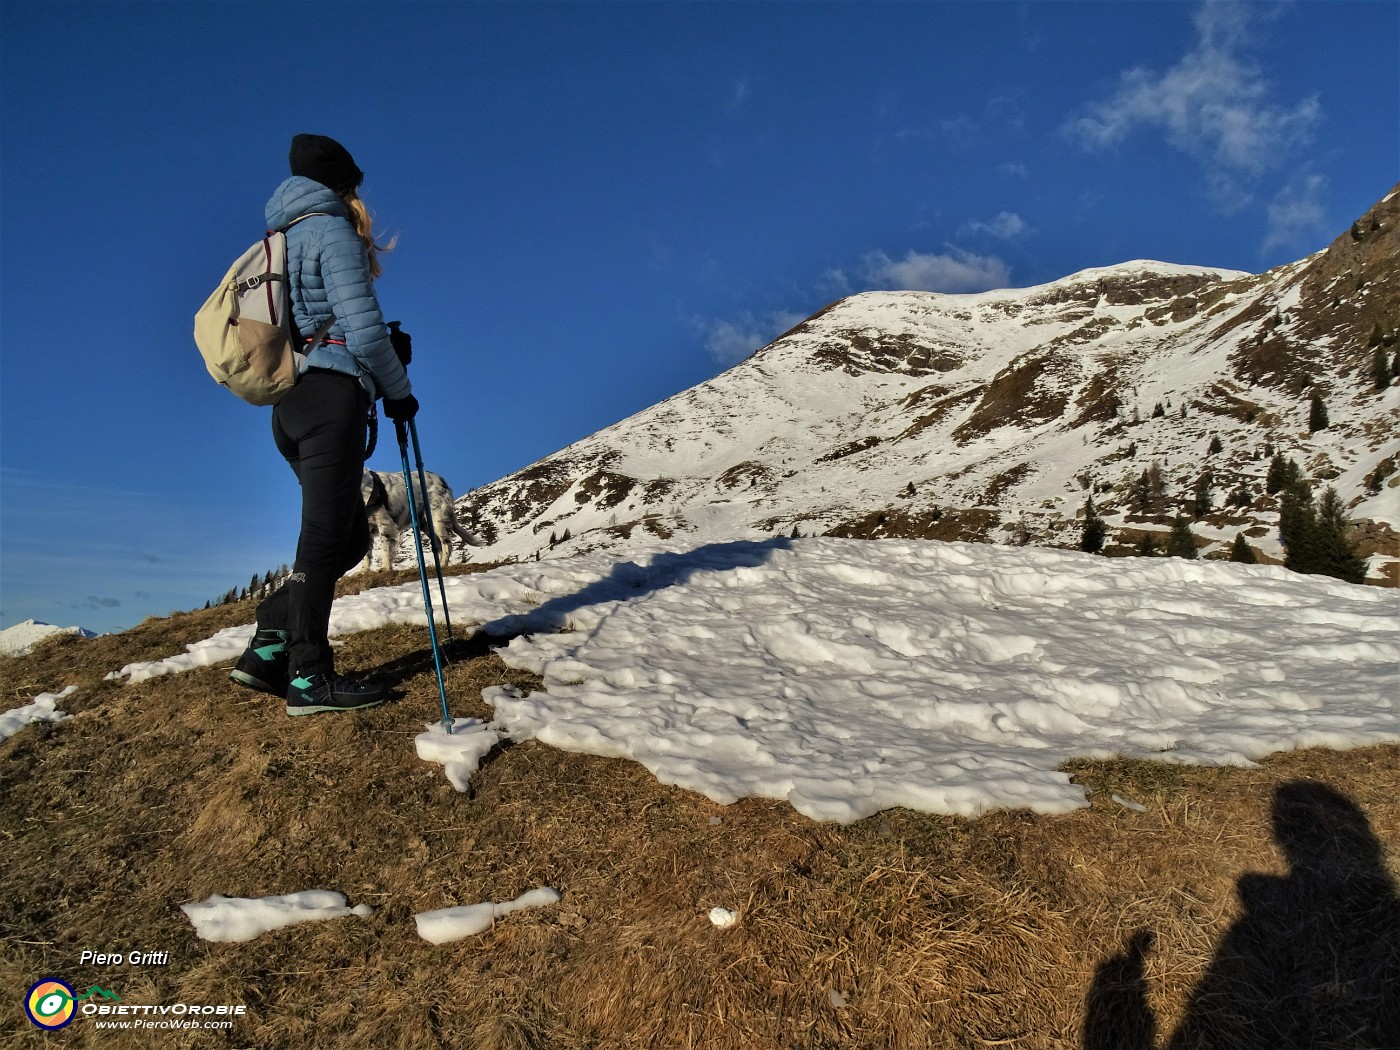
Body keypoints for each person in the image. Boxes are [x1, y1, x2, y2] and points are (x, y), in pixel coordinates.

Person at [230, 134, 418, 716]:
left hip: (291, 406)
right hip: (331, 402)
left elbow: (319, 324)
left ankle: (268, 647)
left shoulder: (277, 239)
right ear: (345, 186)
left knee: (349, 537)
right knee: (320, 541)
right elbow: (360, 332)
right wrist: (400, 392)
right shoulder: (331, 232)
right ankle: (309, 677)